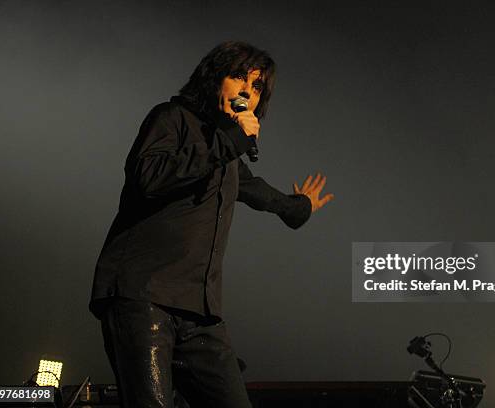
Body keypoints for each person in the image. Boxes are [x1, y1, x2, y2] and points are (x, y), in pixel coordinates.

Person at [88, 41, 333, 407]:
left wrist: (299, 208)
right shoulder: (171, 118)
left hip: (201, 314)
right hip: (143, 296)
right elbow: (149, 177)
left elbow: (260, 193)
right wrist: (230, 142)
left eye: (256, 86)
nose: (247, 91)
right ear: (214, 78)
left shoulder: (228, 154)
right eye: (239, 78)